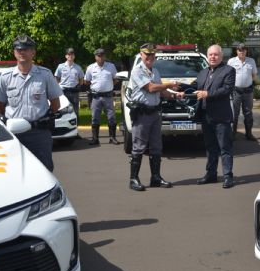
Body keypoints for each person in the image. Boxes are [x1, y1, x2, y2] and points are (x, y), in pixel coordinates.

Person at [0, 34, 62, 171]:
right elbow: (0, 105)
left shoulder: (45, 75)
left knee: (44, 170)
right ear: (14, 53)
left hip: (39, 133)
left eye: (26, 49)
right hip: (13, 134)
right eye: (19, 49)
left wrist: (44, 118)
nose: (22, 52)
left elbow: (55, 103)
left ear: (33, 52)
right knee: (14, 170)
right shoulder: (6, 77)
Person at [181, 44, 236, 189]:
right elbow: (193, 86)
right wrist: (179, 89)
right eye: (210, 54)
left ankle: (228, 176)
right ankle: (211, 174)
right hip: (206, 116)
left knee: (225, 148)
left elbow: (227, 89)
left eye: (216, 54)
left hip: (221, 117)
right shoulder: (203, 72)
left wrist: (207, 94)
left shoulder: (229, 70)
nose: (213, 57)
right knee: (210, 147)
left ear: (221, 56)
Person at [127, 43, 179, 191]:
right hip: (142, 113)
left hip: (155, 113)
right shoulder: (137, 71)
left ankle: (155, 177)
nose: (150, 57)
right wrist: (170, 83)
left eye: (152, 55)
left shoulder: (155, 70)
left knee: (156, 147)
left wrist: (175, 94)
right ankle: (133, 179)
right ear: (141, 55)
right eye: (147, 54)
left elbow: (161, 92)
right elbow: (151, 88)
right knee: (138, 147)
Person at [84, 48, 119, 145]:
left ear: (104, 56)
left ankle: (112, 138)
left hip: (108, 96)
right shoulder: (90, 68)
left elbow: (115, 79)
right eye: (98, 56)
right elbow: (87, 81)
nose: (100, 57)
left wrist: (108, 86)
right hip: (96, 97)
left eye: (102, 55)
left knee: (111, 117)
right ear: (95, 57)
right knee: (95, 117)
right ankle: (95, 139)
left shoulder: (111, 66)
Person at [227, 43, 259, 141]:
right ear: (237, 51)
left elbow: (254, 75)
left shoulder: (251, 61)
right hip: (236, 91)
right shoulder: (231, 61)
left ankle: (249, 134)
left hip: (248, 91)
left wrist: (247, 82)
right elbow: (228, 75)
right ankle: (233, 134)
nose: (242, 52)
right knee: (234, 113)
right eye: (240, 50)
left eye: (244, 50)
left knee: (248, 113)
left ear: (246, 51)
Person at [54, 47, 84, 116]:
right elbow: (56, 77)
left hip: (74, 92)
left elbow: (81, 79)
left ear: (74, 56)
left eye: (72, 54)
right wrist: (59, 86)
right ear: (66, 56)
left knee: (75, 110)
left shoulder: (78, 67)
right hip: (63, 91)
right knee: (63, 109)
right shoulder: (60, 66)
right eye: (68, 54)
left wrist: (78, 86)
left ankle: (75, 125)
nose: (70, 56)